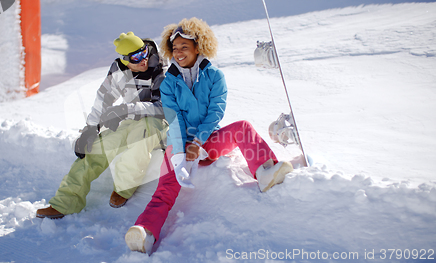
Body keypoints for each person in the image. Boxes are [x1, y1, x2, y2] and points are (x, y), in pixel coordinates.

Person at [124, 18, 294, 254]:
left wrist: (198, 141)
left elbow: (216, 112)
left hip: (209, 141)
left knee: (242, 127)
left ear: (198, 47)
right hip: (179, 143)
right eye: (175, 49)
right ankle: (146, 231)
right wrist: (181, 152)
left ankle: (265, 171)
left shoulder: (214, 76)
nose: (179, 53)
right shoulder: (168, 82)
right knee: (166, 187)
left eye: (184, 47)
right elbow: (174, 120)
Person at [36, 32, 168, 219]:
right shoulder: (118, 70)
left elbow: (163, 107)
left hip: (158, 121)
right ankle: (65, 202)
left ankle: (124, 188)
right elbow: (103, 99)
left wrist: (126, 109)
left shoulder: (160, 66)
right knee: (96, 148)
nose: (143, 60)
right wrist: (90, 128)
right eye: (136, 57)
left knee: (136, 142)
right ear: (124, 60)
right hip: (131, 119)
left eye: (144, 52)